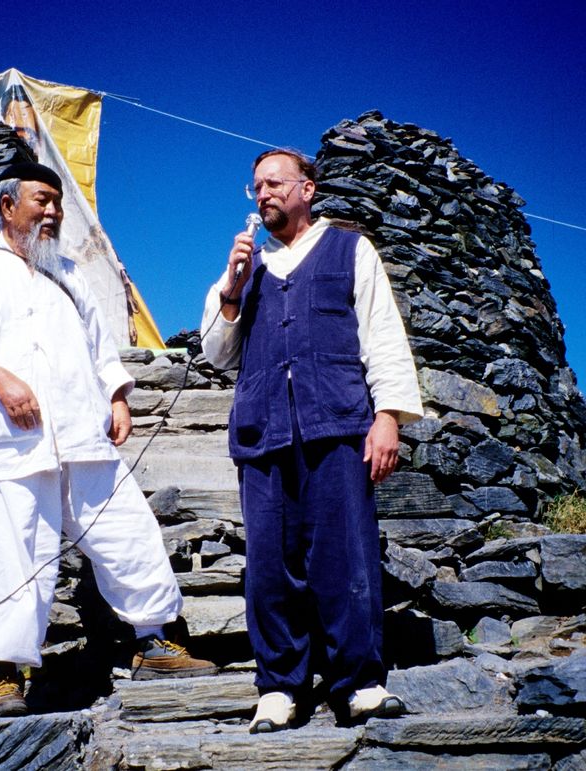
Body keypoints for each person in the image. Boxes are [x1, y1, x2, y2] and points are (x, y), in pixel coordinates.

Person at [0, 161, 216, 718]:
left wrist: (115, 395)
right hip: (10, 442)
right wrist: (0, 377)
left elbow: (99, 347)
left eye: (58, 203)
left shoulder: (68, 273)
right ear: (7, 205)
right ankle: (6, 676)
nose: (53, 212)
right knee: (9, 554)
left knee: (125, 530)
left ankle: (154, 640)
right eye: (42, 200)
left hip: (82, 435)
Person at [201, 149, 423, 731]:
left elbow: (383, 334)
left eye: (275, 183)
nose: (264, 193)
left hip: (339, 426)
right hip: (264, 433)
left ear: (308, 189)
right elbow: (216, 354)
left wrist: (389, 417)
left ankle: (360, 683)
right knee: (270, 565)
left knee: (345, 557)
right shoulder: (246, 268)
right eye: (256, 187)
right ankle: (279, 687)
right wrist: (232, 287)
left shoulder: (350, 250)